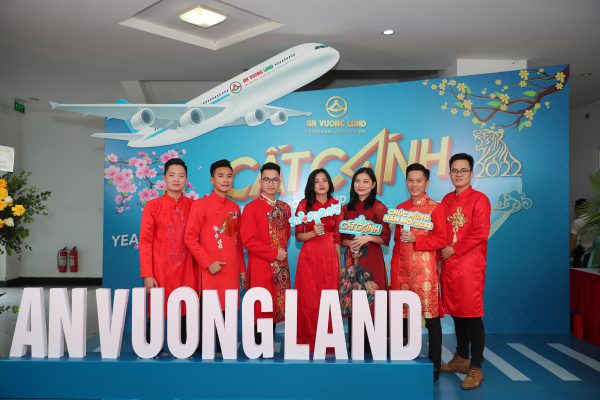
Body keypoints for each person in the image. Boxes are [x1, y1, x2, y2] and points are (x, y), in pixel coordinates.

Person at [439, 153, 491, 390]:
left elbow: (480, 233)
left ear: (471, 173)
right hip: (449, 265)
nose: (458, 174)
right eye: (454, 170)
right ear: (449, 173)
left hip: (470, 265)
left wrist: (454, 249)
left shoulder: (480, 199)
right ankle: (461, 357)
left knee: (472, 315)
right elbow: (440, 230)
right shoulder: (446, 200)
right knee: (457, 313)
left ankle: (476, 366)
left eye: (463, 170)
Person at [390, 163, 447, 381]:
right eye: (410, 180)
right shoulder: (401, 208)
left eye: (419, 181)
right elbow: (397, 243)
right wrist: (395, 271)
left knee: (431, 319)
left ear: (427, 182)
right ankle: (405, 359)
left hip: (425, 274)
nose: (414, 185)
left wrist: (417, 239)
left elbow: (441, 239)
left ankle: (434, 366)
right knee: (404, 317)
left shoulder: (435, 208)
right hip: (403, 272)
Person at [184, 159, 246, 335]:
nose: (225, 180)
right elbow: (189, 237)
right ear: (212, 180)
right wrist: (208, 262)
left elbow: (237, 241)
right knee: (210, 321)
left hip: (231, 272)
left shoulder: (235, 208)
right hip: (211, 271)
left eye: (229, 176)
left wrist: (242, 269)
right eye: (220, 176)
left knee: (228, 319)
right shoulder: (200, 205)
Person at [139, 158, 196, 342]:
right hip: (160, 271)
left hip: (187, 270)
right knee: (157, 311)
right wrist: (147, 274)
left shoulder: (194, 206)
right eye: (171, 175)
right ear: (164, 178)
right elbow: (145, 242)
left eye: (181, 175)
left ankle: (186, 348)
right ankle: (150, 348)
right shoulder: (153, 206)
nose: (176, 179)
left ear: (186, 179)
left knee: (186, 311)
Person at [339, 167, 390, 351]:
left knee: (373, 300)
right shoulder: (346, 209)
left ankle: (373, 346)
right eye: (357, 181)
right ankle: (356, 345)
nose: (361, 185)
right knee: (354, 300)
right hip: (352, 261)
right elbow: (340, 237)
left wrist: (368, 237)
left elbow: (385, 237)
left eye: (366, 181)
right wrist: (350, 243)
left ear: (373, 184)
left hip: (372, 261)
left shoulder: (379, 207)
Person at [240, 162, 291, 343]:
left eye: (274, 180)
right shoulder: (251, 208)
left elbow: (286, 235)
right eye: (267, 179)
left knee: (276, 308)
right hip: (261, 268)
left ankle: (267, 351)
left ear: (279, 182)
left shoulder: (285, 208)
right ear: (260, 182)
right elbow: (248, 240)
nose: (271, 183)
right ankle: (257, 350)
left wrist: (279, 255)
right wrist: (273, 254)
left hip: (281, 268)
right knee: (261, 310)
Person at [294, 168, 342, 353]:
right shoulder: (304, 205)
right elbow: (298, 236)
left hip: (329, 258)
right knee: (308, 299)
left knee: (328, 299)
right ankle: (307, 342)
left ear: (329, 183)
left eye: (324, 180)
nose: (321, 184)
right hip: (309, 257)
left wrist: (338, 264)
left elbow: (337, 238)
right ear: (311, 186)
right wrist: (313, 232)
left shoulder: (336, 205)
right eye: (317, 181)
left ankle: (328, 344)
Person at [570, 198, 593, 268]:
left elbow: (572, 241)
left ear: (577, 209)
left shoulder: (577, 222)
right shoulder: (594, 219)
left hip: (582, 254)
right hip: (594, 254)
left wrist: (569, 255)